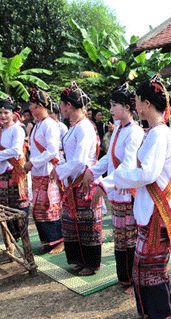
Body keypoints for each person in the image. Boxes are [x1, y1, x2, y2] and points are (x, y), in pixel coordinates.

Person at [112, 75, 171, 319]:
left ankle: (163, 312)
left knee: (148, 270)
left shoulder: (158, 134)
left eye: (139, 101)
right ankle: (162, 310)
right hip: (154, 210)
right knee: (149, 269)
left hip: (157, 213)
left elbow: (148, 173)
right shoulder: (156, 131)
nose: (137, 106)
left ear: (147, 104)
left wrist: (121, 176)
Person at [82, 83, 144, 294]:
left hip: (128, 192)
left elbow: (127, 165)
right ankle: (126, 277)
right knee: (120, 237)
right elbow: (110, 159)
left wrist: (103, 184)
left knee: (131, 238)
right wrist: (93, 171)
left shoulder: (134, 132)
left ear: (127, 107)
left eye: (114, 105)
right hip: (118, 191)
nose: (110, 109)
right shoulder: (119, 128)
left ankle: (137, 280)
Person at [52, 81, 103, 276]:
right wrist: (61, 170)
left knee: (87, 224)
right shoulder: (75, 126)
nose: (61, 108)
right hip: (72, 182)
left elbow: (80, 160)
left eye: (62, 104)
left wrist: (59, 171)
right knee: (73, 223)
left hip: (83, 181)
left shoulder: (84, 128)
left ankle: (90, 263)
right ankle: (80, 259)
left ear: (69, 106)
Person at [23, 88, 63, 254]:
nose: (30, 108)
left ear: (40, 106)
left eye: (32, 105)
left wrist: (32, 163)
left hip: (48, 171)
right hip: (39, 172)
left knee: (51, 206)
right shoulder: (38, 125)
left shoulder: (50, 125)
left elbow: (53, 150)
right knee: (39, 207)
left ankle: (60, 241)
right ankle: (49, 239)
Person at [0, 97, 30, 241]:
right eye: (0, 113)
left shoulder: (17, 130)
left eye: (6, 112)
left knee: (18, 206)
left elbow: (16, 150)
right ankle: (11, 238)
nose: (3, 116)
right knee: (5, 207)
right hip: (2, 174)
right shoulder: (1, 130)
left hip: (15, 173)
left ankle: (22, 237)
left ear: (13, 114)